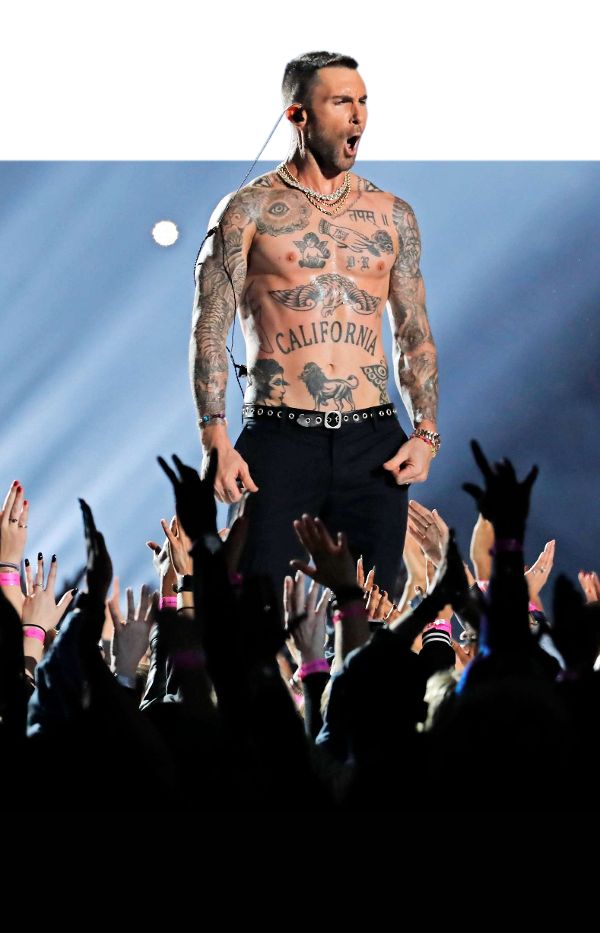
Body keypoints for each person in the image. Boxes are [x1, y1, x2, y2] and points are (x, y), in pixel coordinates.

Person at [190, 50, 440, 600]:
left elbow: (413, 332)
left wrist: (425, 432)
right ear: (298, 115)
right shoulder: (246, 211)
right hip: (279, 437)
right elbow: (210, 326)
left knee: (373, 610)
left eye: (363, 101)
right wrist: (215, 437)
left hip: (373, 441)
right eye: (341, 102)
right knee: (257, 607)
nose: (358, 115)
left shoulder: (392, 214)